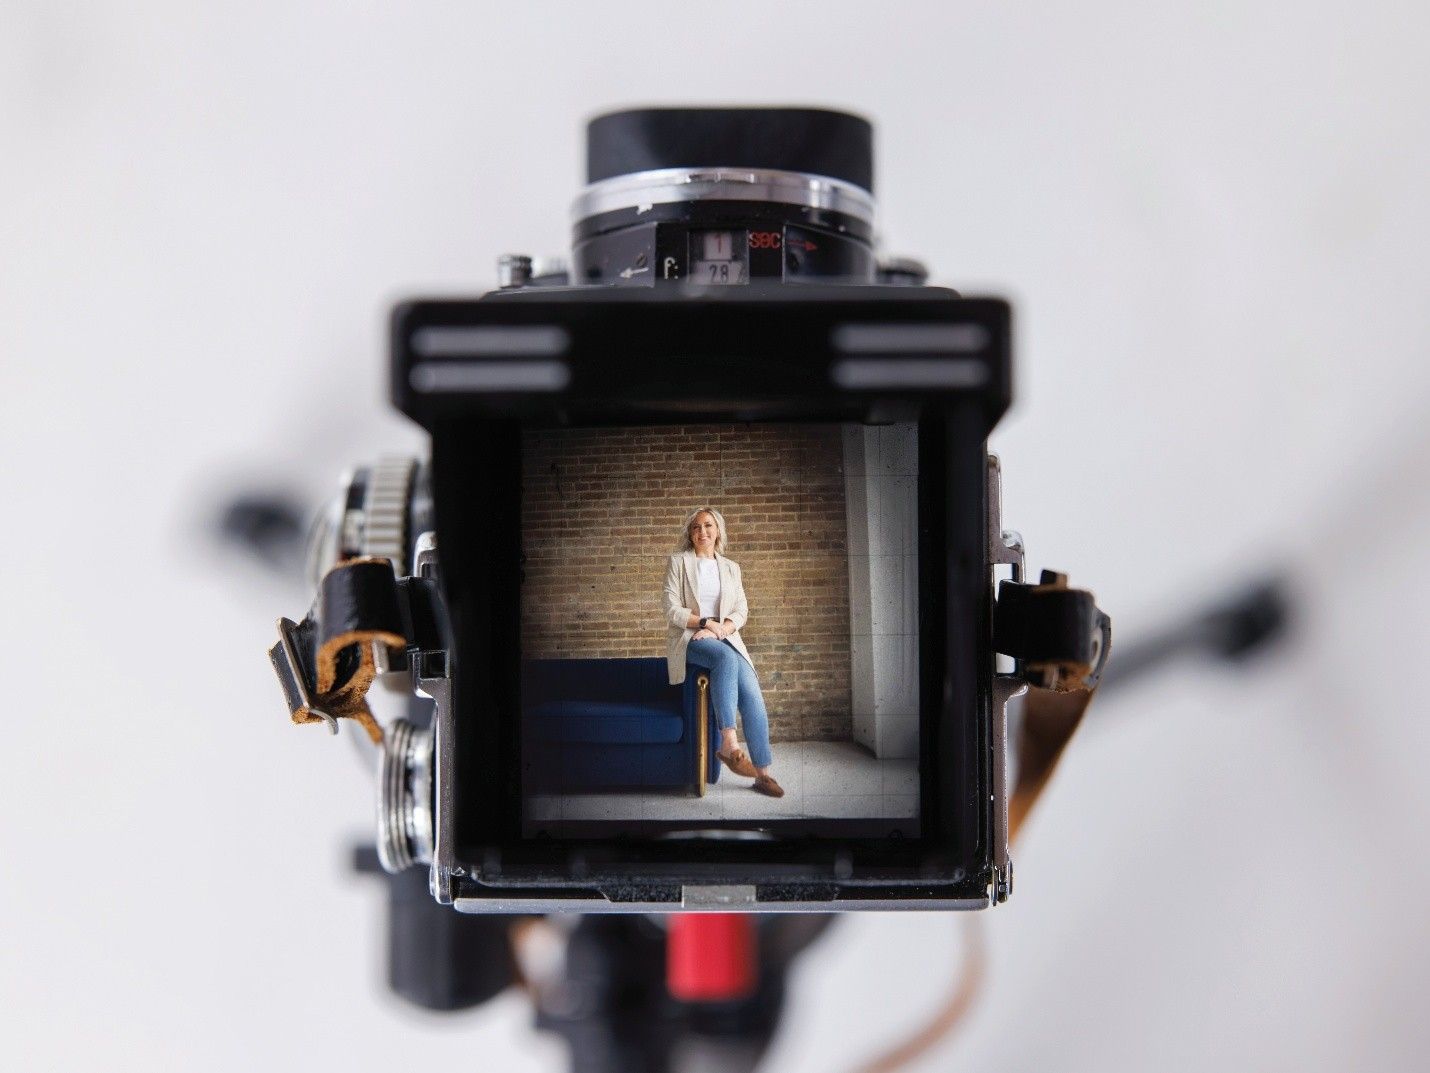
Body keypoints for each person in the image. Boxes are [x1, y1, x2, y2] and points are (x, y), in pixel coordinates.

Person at [662, 507, 784, 797]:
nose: (702, 531)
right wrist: (705, 623)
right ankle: (728, 742)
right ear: (689, 533)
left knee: (753, 694)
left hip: (726, 638)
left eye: (708, 525)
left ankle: (762, 775)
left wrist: (722, 629)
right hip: (691, 638)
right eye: (696, 527)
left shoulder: (731, 567)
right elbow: (671, 609)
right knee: (725, 658)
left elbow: (741, 610)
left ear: (718, 531)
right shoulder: (678, 562)